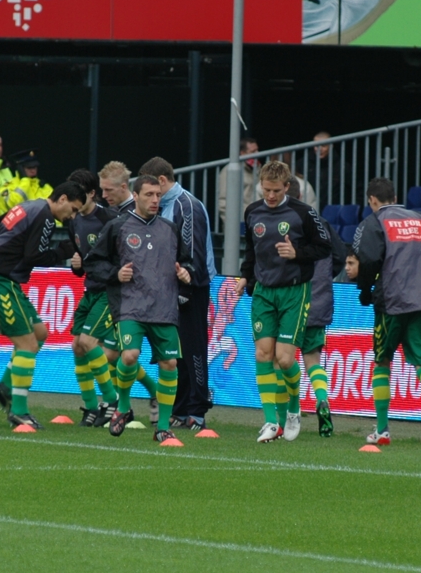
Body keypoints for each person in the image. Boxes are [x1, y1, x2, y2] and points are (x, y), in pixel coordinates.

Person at [83, 174, 193, 443]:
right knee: (129, 355)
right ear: (135, 195)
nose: (155, 200)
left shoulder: (170, 228)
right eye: (149, 195)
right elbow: (93, 263)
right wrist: (115, 273)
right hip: (129, 306)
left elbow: (187, 263)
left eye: (158, 195)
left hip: (165, 308)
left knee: (169, 363)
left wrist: (186, 274)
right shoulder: (117, 227)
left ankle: (163, 427)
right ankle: (123, 406)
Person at [237, 161, 332, 443]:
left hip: (294, 292)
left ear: (287, 187)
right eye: (266, 190)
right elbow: (251, 250)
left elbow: (324, 247)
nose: (270, 196)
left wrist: (297, 253)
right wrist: (245, 277)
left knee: (285, 358)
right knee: (263, 354)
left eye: (276, 190)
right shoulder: (252, 211)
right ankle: (270, 421)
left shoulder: (303, 213)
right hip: (264, 292)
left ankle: (293, 407)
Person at [0, 181, 83, 429]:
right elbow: (34, 256)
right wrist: (63, 252)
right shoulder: (45, 217)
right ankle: (19, 411)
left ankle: (5, 386)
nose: (73, 216)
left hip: (4, 279)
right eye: (74, 209)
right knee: (27, 344)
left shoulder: (30, 206)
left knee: (39, 333)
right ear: (62, 198)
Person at [353, 177, 421, 448]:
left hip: (391, 303)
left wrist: (365, 290)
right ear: (394, 197)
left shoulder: (374, 222)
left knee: (382, 362)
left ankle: (382, 430)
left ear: (372, 200)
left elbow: (369, 260)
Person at [146, 156, 217, 431]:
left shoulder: (186, 206)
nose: (152, 195)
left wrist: (185, 288)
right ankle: (179, 408)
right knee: (174, 352)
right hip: (168, 288)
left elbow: (192, 252)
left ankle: (197, 409)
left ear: (162, 180)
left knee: (194, 348)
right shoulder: (163, 206)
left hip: (192, 288)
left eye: (154, 188)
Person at [96, 159, 161, 421]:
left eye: (108, 190)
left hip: (139, 298)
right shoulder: (111, 215)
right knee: (114, 353)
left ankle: (119, 404)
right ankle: (124, 402)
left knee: (113, 352)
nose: (104, 195)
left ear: (125, 188)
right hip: (114, 292)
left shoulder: (143, 217)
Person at [285, 176, 346, 437]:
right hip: (318, 300)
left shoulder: (282, 225)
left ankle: (291, 409)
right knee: (313, 361)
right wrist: (323, 277)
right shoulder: (322, 224)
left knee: (284, 360)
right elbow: (341, 256)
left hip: (289, 301)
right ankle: (322, 399)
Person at [65, 168, 120, 426]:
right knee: (77, 346)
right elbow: (81, 262)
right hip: (90, 289)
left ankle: (112, 399)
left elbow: (120, 257)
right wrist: (76, 265)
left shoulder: (110, 218)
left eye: (80, 195)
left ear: (91, 194)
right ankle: (89, 406)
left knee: (88, 342)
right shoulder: (72, 220)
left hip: (109, 292)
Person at [296, 131, 356, 209]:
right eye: (316, 146)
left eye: (323, 145)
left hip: (335, 212)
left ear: (331, 146)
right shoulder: (303, 163)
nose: (319, 149)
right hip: (309, 209)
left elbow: (356, 189)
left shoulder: (342, 166)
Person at [218, 137, 260, 224]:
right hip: (238, 223)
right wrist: (231, 225)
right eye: (253, 152)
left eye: (257, 150)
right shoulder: (229, 171)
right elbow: (223, 202)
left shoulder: (258, 170)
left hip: (257, 221)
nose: (257, 154)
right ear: (243, 153)